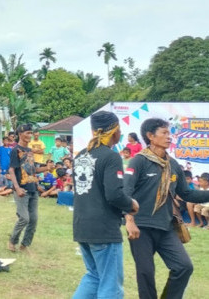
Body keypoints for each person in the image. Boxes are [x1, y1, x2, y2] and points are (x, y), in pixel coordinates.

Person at [124, 118, 209, 299]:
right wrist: (129, 220)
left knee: (184, 267)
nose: (169, 137)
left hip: (166, 226)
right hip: (142, 227)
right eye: (164, 133)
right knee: (146, 273)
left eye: (169, 133)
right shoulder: (138, 161)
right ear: (150, 136)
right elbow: (126, 191)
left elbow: (187, 194)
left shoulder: (173, 164)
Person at [72, 111, 138, 299]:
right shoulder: (111, 157)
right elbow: (114, 194)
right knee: (111, 284)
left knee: (93, 277)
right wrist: (131, 205)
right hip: (103, 228)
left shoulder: (81, 156)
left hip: (82, 225)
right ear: (115, 131)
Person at [8, 123, 44, 252]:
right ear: (20, 134)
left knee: (33, 220)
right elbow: (11, 170)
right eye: (27, 133)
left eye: (31, 133)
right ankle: (12, 241)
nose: (30, 135)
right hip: (22, 189)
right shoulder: (15, 150)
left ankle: (25, 245)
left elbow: (33, 169)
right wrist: (17, 188)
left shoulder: (29, 151)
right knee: (24, 218)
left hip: (33, 188)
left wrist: (47, 168)